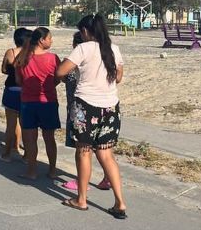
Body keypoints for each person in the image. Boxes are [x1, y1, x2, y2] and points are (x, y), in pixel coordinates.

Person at [56, 14, 127, 219]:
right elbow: (119, 77)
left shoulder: (83, 48)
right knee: (106, 154)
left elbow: (61, 71)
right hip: (111, 107)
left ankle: (81, 199)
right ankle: (120, 202)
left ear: (85, 31)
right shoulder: (114, 49)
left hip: (85, 106)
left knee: (84, 152)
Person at [61, 32, 111, 191]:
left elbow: (61, 76)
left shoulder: (74, 64)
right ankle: (108, 177)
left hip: (80, 111)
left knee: (82, 150)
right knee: (102, 149)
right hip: (102, 108)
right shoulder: (99, 63)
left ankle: (81, 182)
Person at [15, 27, 61, 180]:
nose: (51, 40)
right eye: (50, 38)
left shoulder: (23, 57)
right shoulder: (53, 58)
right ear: (42, 40)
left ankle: (31, 171)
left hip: (28, 102)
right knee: (49, 139)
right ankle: (53, 170)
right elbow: (57, 78)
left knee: (30, 139)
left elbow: (18, 81)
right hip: (48, 102)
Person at [0, 28, 32, 162]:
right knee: (26, 126)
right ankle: (26, 155)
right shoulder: (31, 53)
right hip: (26, 91)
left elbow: (3, 69)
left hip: (12, 89)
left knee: (11, 125)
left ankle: (7, 153)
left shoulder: (10, 52)